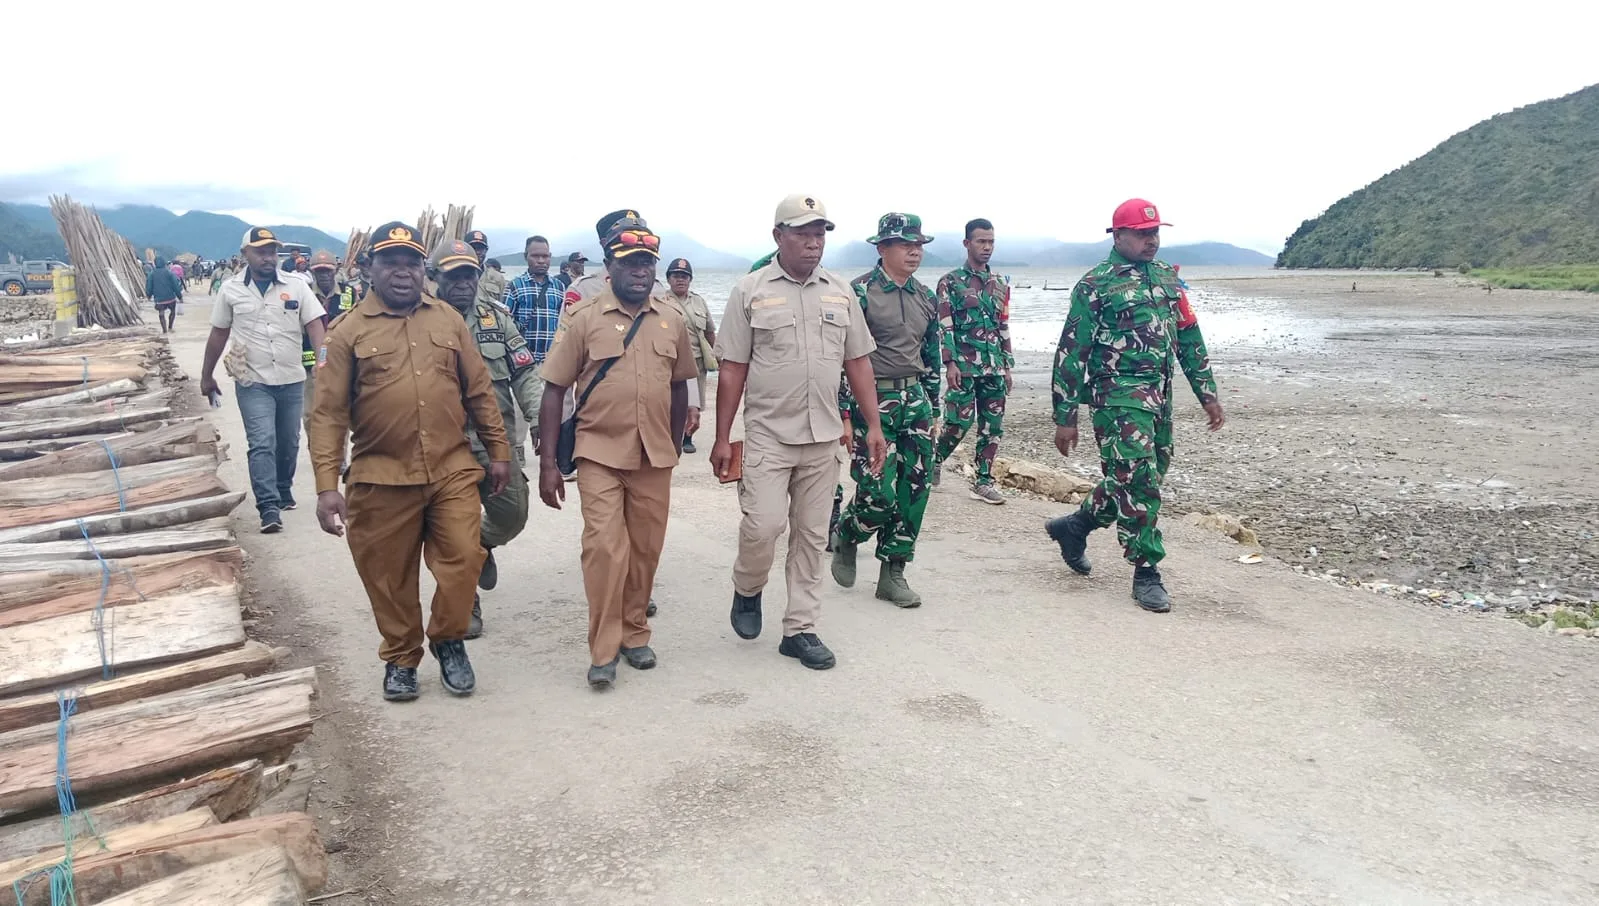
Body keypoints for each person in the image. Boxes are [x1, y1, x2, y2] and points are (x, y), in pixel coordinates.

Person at [310, 221, 511, 701]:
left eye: (412, 264)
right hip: (381, 475)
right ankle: (401, 657)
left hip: (451, 468)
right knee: (388, 576)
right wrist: (326, 485)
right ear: (368, 268)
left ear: (424, 270)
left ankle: (448, 639)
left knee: (464, 559)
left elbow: (480, 392)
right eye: (391, 263)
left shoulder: (449, 321)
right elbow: (328, 414)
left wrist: (499, 451)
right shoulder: (346, 332)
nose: (403, 272)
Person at [711, 194, 885, 670]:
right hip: (769, 434)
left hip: (824, 436)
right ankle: (748, 588)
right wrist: (722, 437)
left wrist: (872, 425)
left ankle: (800, 629)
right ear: (778, 236)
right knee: (763, 526)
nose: (814, 242)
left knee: (811, 536)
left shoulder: (840, 291)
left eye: (820, 233)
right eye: (803, 233)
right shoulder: (750, 290)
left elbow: (858, 361)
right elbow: (732, 368)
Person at [536, 215, 696, 688]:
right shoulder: (584, 318)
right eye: (629, 262)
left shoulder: (671, 319)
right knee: (605, 549)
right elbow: (554, 389)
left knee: (645, 550)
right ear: (609, 266)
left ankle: (634, 632)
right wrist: (548, 463)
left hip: (654, 456)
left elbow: (680, 385)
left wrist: (673, 444)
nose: (640, 270)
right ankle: (604, 649)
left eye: (647, 262)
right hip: (598, 451)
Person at [1044, 199, 1226, 613]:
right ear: (1118, 235)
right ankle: (1146, 571)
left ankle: (1076, 526)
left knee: (1143, 473)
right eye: (1143, 234)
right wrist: (1065, 416)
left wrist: (1208, 393)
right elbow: (1071, 352)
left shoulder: (1166, 278)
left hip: (1159, 397)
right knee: (1140, 481)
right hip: (1117, 398)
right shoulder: (1096, 285)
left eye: (1155, 233)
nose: (1151, 240)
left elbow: (1189, 336)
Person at [429, 238, 541, 639]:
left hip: (495, 440)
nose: (463, 283)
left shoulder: (497, 318)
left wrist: (540, 418)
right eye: (454, 276)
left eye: (469, 275)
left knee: (513, 515)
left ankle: (481, 546)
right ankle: (465, 603)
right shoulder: (421, 320)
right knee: (452, 532)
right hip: (445, 446)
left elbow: (524, 372)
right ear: (436, 277)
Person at [831, 213, 942, 608]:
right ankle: (848, 532)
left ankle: (893, 573)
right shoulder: (859, 294)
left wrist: (934, 408)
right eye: (904, 244)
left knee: (915, 490)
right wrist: (845, 414)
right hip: (871, 403)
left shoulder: (925, 297)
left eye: (918, 245)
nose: (914, 251)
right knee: (878, 492)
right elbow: (842, 357)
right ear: (882, 248)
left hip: (915, 402)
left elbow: (931, 355)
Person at [200, 228, 326, 532]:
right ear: (246, 254)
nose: (268, 257)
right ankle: (268, 507)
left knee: (289, 441)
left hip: (291, 378)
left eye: (272, 251)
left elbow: (315, 324)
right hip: (252, 381)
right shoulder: (230, 290)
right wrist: (206, 375)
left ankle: (282, 487)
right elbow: (219, 334)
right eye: (261, 252)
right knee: (262, 442)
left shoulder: (297, 286)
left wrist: (323, 361)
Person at [933, 218, 1014, 503]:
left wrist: (1007, 365)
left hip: (994, 366)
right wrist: (950, 363)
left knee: (993, 427)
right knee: (958, 422)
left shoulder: (1000, 283)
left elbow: (1003, 325)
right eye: (981, 241)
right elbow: (945, 326)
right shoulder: (950, 282)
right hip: (964, 366)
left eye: (991, 242)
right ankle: (935, 458)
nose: (987, 247)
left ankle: (983, 481)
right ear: (967, 243)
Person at [665, 257, 715, 453]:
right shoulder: (660, 301)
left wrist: (716, 354)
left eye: (685, 276)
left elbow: (709, 331)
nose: (680, 279)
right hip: (672, 361)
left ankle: (688, 438)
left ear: (690, 280)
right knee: (672, 401)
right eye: (676, 276)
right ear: (669, 279)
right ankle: (672, 436)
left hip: (696, 361)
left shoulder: (699, 301)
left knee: (695, 402)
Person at [300, 249, 346, 434]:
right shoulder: (303, 293)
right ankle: (315, 448)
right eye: (319, 271)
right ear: (312, 272)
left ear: (336, 270)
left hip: (340, 362)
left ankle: (339, 453)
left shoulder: (349, 293)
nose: (324, 275)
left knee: (338, 413)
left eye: (328, 270)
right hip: (310, 363)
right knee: (311, 414)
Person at [465, 230, 506, 305]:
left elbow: (502, 306)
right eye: (473, 248)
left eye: (481, 248)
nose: (477, 252)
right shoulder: (453, 275)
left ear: (486, 250)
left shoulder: (497, 278)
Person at [146, 256, 183, 333]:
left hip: (159, 299)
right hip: (170, 298)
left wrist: (148, 295)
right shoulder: (169, 273)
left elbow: (149, 286)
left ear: (155, 264)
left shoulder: (152, 274)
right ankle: (170, 327)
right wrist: (180, 296)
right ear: (164, 263)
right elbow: (175, 285)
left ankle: (164, 331)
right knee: (172, 311)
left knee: (161, 313)